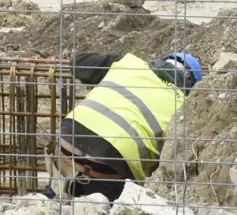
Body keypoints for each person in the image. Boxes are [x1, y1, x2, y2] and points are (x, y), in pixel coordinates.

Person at [48, 50, 201, 201]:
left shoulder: (129, 64)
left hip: (69, 136)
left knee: (52, 202)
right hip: (113, 163)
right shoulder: (185, 106)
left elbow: (78, 62)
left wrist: (115, 63)